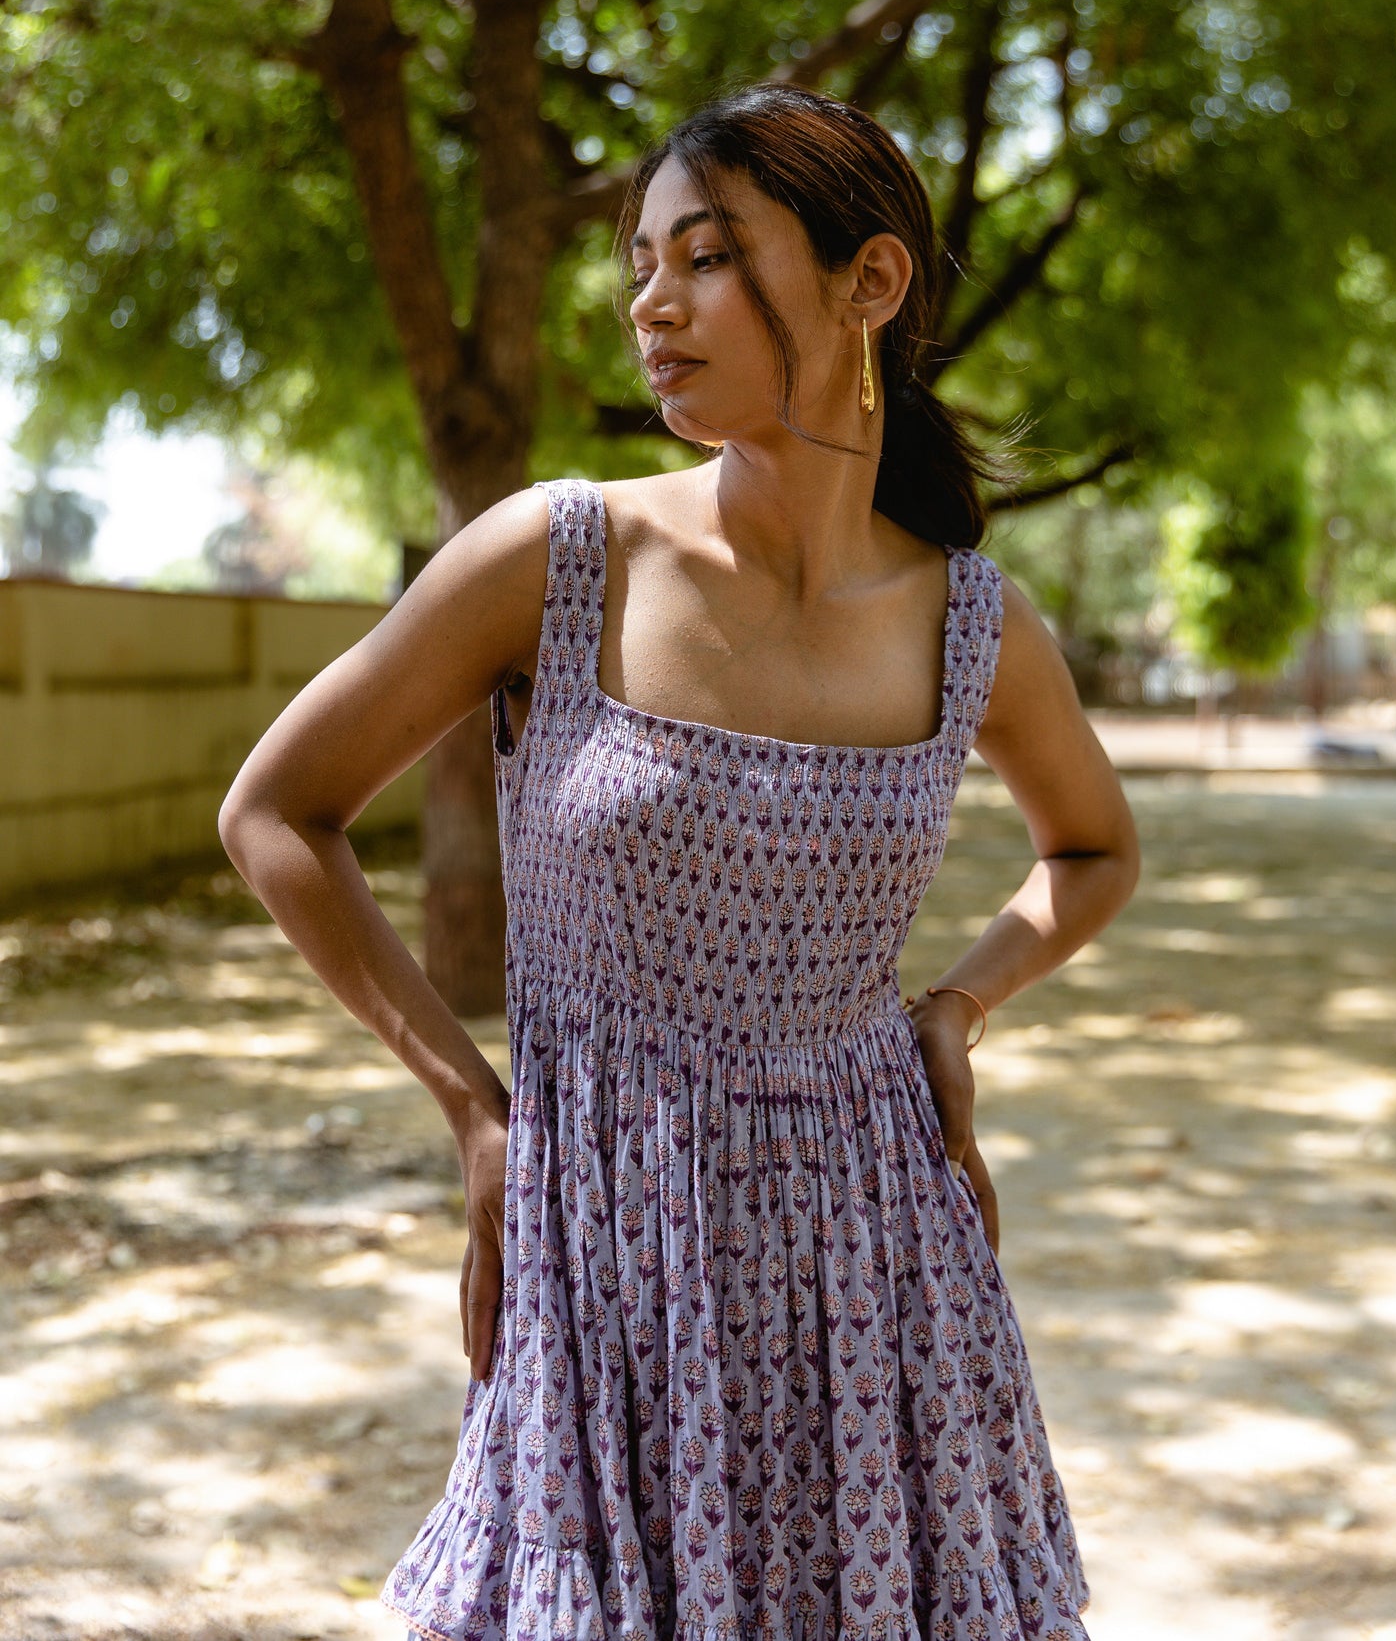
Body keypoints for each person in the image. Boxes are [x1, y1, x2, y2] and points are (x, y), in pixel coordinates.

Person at [218, 83, 1139, 1641]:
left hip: (878, 1274)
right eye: (641, 261)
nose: (651, 302)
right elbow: (275, 813)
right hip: (609, 1247)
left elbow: (1094, 848)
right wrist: (476, 1115)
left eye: (703, 256)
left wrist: (955, 1008)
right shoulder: (559, 557)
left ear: (870, 283)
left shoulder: (972, 621)